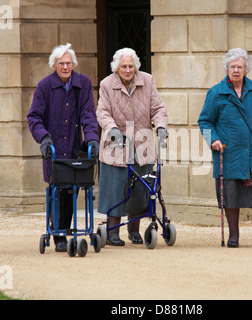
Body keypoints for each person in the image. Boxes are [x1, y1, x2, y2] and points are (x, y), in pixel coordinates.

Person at [198, 48, 252, 248]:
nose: (236, 70)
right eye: (232, 66)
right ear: (226, 68)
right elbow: (205, 122)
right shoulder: (216, 93)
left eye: (240, 67)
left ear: (246, 69)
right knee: (230, 194)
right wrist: (213, 140)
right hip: (228, 152)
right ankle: (233, 236)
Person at [27, 43, 99, 252]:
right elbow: (34, 117)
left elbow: (88, 114)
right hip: (55, 148)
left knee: (72, 190)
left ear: (73, 64)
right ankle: (58, 233)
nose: (65, 67)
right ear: (54, 66)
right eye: (61, 64)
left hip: (75, 147)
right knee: (57, 190)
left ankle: (63, 229)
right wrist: (44, 138)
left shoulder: (83, 83)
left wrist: (92, 138)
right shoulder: (44, 86)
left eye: (68, 63)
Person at [96, 48, 168, 246]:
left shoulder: (147, 80)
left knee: (139, 186)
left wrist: (161, 126)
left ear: (136, 66)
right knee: (115, 187)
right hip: (116, 144)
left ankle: (134, 230)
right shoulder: (106, 84)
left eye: (131, 66)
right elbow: (102, 112)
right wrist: (112, 130)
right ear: (117, 68)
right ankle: (112, 232)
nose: (128, 70)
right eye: (124, 66)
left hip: (141, 144)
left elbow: (158, 108)